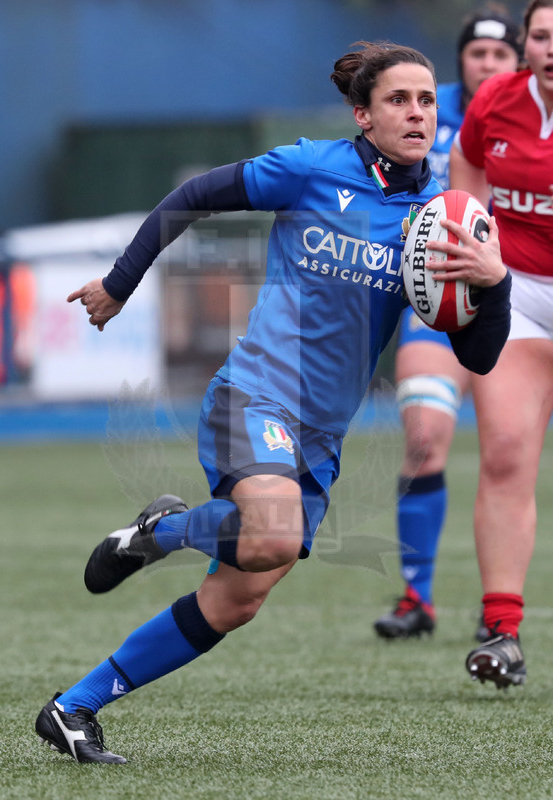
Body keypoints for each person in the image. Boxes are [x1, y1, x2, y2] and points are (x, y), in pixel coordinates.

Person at [34, 41, 510, 764]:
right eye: (397, 101)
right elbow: (191, 197)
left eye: (424, 101)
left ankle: (73, 707)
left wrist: (495, 283)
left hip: (320, 437)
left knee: (238, 600)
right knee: (275, 537)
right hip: (255, 393)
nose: (416, 113)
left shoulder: (441, 218)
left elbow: (476, 357)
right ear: (362, 113)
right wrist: (119, 285)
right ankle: (160, 533)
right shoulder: (312, 168)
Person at [373, 6, 521, 640]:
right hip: (435, 303)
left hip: (516, 303)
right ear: (461, 58)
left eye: (500, 55)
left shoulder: (530, 114)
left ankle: (499, 607)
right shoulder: (424, 110)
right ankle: (416, 598)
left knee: (509, 454)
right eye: (477, 54)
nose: (487, 64)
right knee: (425, 437)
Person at [448, 0, 553, 689]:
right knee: (507, 451)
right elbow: (464, 163)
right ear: (525, 45)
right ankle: (501, 633)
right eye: (542, 36)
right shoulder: (496, 98)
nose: (552, 47)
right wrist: (466, 236)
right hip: (517, 294)